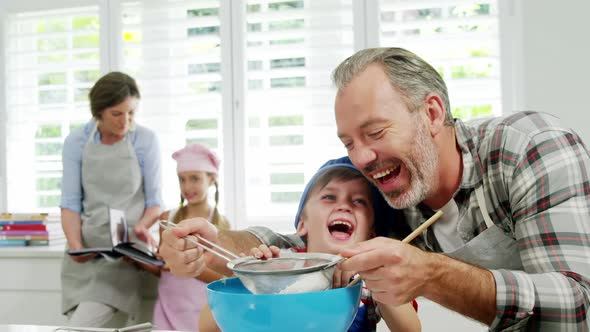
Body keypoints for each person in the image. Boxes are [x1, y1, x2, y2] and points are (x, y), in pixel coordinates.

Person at [160, 47, 590, 331]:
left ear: (433, 113)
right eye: (348, 142)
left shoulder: (529, 146)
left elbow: (578, 305)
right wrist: (215, 244)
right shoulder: (391, 186)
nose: (362, 158)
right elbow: (297, 246)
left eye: (375, 132)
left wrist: (432, 272)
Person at [198, 157, 420, 332]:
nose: (344, 206)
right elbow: (207, 327)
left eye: (359, 201)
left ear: (370, 232)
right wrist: (253, 278)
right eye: (330, 197)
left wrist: (374, 272)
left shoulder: (369, 278)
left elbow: (411, 329)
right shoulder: (282, 266)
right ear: (302, 224)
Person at [60, 71, 163, 327]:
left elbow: (155, 203)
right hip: (85, 255)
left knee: (79, 328)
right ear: (99, 113)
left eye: (131, 113)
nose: (125, 121)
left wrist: (141, 227)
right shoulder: (76, 141)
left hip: (124, 256)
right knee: (80, 325)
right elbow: (70, 203)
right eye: (116, 114)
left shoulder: (145, 140)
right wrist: (75, 245)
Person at [152, 144, 230, 331]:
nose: (187, 187)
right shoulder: (167, 219)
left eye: (194, 179)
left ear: (211, 179)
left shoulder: (222, 225)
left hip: (201, 307)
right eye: (182, 179)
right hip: (168, 306)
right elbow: (163, 267)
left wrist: (189, 266)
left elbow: (222, 276)